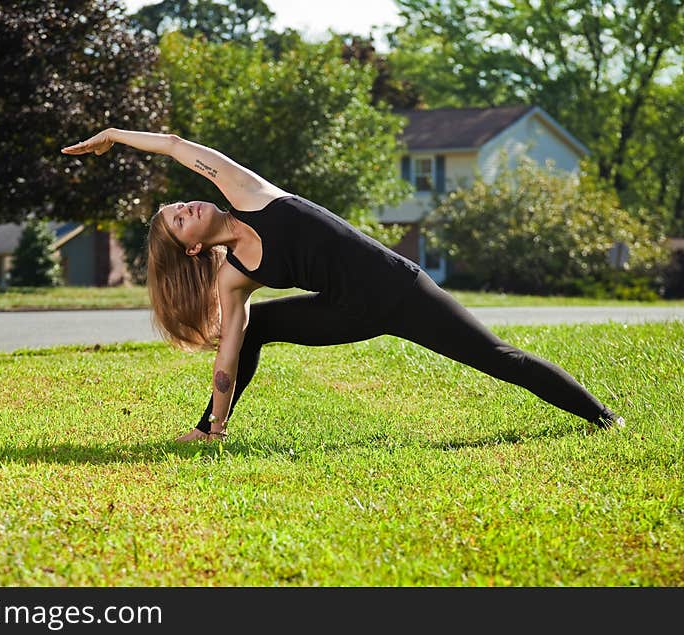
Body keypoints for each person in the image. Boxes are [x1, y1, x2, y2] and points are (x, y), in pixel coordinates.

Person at [62, 128, 626, 443]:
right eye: (180, 219)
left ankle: (605, 420)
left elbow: (177, 146)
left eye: (180, 204)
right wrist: (214, 418)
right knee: (257, 330)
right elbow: (228, 354)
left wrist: (115, 136)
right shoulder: (234, 279)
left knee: (498, 358)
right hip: (345, 312)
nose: (187, 205)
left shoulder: (248, 192)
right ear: (191, 247)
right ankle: (212, 434)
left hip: (400, 292)